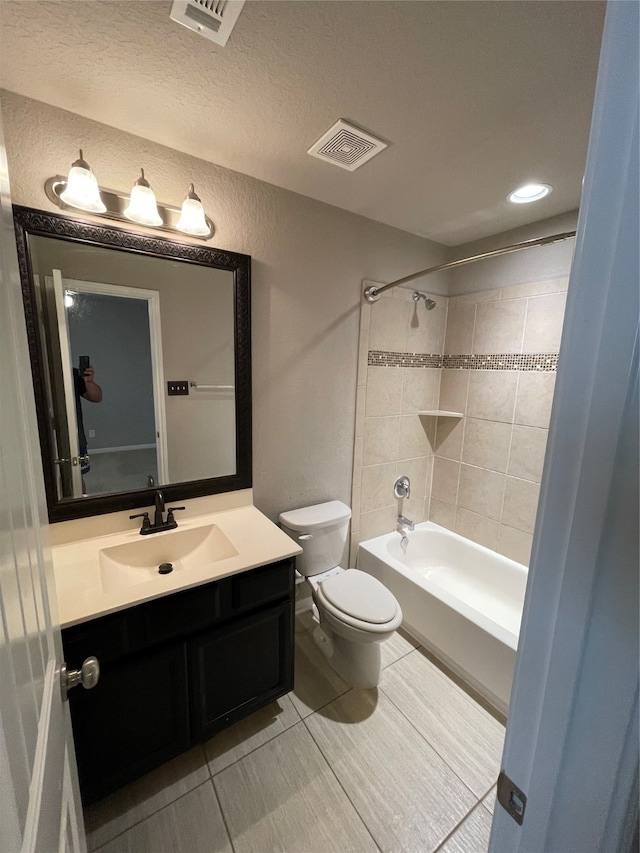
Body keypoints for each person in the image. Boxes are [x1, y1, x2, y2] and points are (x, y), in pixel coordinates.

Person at [73, 363, 102, 493]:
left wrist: (89, 382)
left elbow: (97, 398)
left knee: (76, 478)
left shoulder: (72, 374)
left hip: (74, 437)